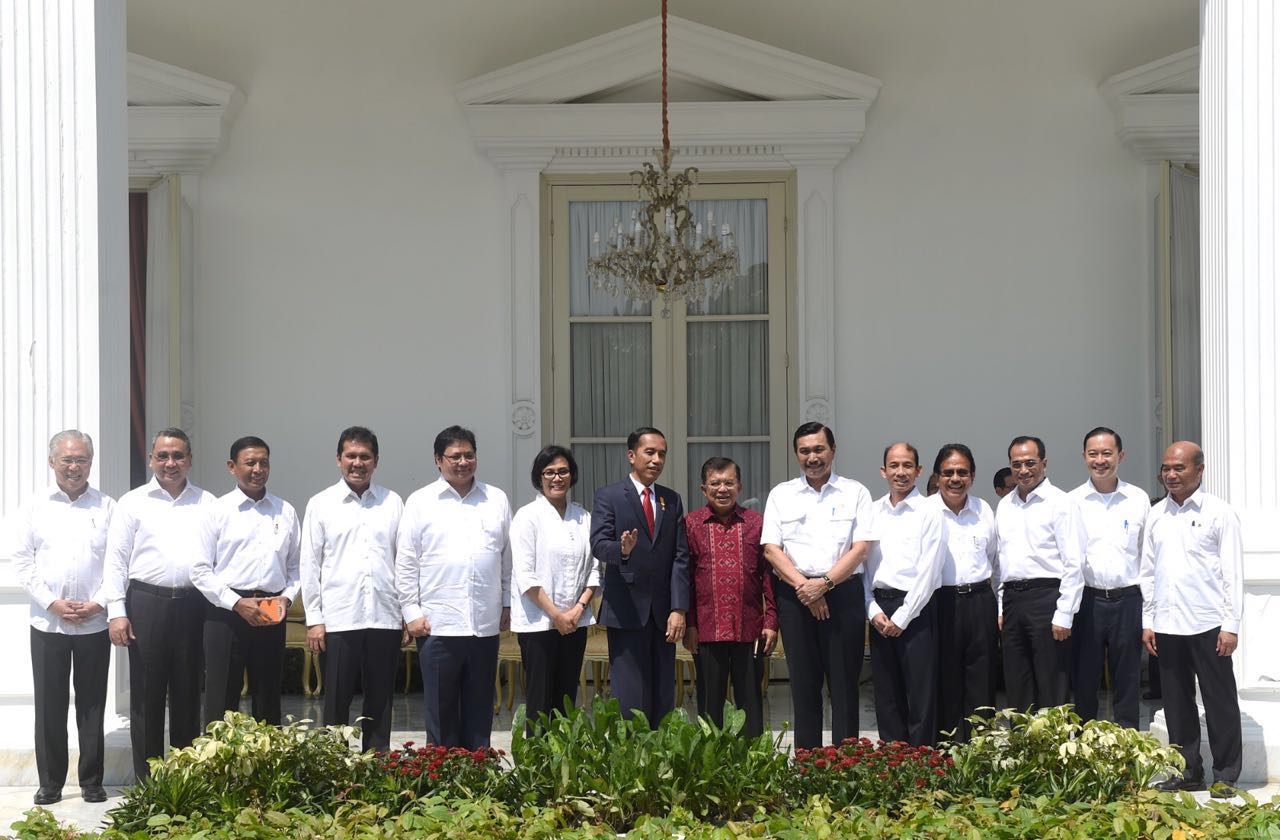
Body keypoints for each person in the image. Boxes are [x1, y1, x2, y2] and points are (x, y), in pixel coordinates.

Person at [3, 431, 114, 805]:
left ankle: (92, 781)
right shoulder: (34, 507)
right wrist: (51, 602)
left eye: (81, 459)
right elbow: (21, 560)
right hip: (48, 623)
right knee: (50, 705)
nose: (74, 467)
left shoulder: (107, 507)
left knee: (92, 704)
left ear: (91, 463)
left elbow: (118, 563)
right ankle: (50, 782)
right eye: (67, 459)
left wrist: (99, 603)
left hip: (94, 623)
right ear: (52, 462)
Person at [104, 428, 215, 781]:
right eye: (163, 456)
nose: (171, 463)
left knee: (187, 695)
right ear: (151, 459)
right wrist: (117, 612)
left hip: (193, 606)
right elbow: (115, 561)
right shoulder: (132, 502)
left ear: (190, 460)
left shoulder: (208, 503)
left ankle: (185, 780)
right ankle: (148, 784)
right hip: (146, 605)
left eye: (178, 455)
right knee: (147, 698)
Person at [397, 426, 511, 748]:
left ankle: (479, 780)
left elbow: (507, 557)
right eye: (455, 456)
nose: (463, 462)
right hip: (437, 625)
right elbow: (406, 561)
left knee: (479, 712)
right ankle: (443, 785)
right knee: (441, 713)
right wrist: (411, 612)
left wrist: (506, 604)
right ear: (438, 460)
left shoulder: (496, 499)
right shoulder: (420, 502)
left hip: (483, 625)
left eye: (469, 455)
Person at [761, 422, 873, 749]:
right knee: (804, 686)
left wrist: (822, 585)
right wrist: (806, 589)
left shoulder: (856, 492)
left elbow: (861, 548)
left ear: (833, 450)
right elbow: (771, 550)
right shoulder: (782, 495)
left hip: (843, 595)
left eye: (819, 449)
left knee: (844, 686)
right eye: (805, 451)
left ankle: (845, 766)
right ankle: (809, 766)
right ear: (797, 454)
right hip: (796, 597)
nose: (813, 457)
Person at [1142, 441, 1242, 798]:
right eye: (1166, 468)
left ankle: (1226, 774)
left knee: (1219, 702)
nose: (1171, 475)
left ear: (1200, 469)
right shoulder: (1156, 514)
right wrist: (1147, 619)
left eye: (1179, 468)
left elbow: (1233, 572)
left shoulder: (1220, 512)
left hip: (1209, 624)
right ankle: (1188, 772)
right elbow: (1148, 572)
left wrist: (1231, 624)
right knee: (1177, 704)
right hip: (1168, 625)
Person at [300, 426, 404, 752]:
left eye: (365, 457)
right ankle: (335, 767)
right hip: (339, 618)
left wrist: (405, 614)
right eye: (351, 456)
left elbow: (404, 561)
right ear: (338, 459)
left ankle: (378, 766)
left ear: (376, 461)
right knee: (337, 700)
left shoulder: (393, 503)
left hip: (384, 617)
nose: (357, 463)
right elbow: (310, 566)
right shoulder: (321, 504)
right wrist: (315, 619)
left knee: (380, 700)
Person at [193, 436, 300, 728]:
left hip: (270, 609)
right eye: (249, 462)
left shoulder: (285, 511)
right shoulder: (216, 510)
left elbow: (295, 567)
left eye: (263, 462)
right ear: (232, 467)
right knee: (220, 697)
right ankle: (218, 769)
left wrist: (286, 599)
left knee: (268, 696)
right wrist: (237, 603)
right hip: (226, 611)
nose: (257, 469)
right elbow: (199, 570)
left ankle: (266, 769)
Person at [590, 427, 690, 726]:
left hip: (664, 614)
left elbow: (679, 557)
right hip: (627, 610)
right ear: (632, 456)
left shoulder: (671, 500)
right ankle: (631, 762)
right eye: (650, 452)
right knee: (630, 696)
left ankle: (661, 761)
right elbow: (598, 544)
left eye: (662, 454)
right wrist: (621, 550)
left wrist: (679, 608)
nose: (657, 459)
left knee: (663, 694)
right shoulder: (609, 496)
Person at [682, 456, 778, 738]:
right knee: (709, 703)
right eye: (715, 483)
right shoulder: (691, 524)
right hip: (706, 631)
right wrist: (689, 624)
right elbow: (684, 578)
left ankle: (752, 764)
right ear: (703, 488)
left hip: (750, 629)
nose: (722, 489)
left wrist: (771, 620)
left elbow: (768, 575)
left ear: (740, 486)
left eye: (728, 483)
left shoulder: (757, 523)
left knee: (750, 701)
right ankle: (712, 766)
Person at [510, 445, 600, 725]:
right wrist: (557, 615)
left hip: (575, 622)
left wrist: (577, 609)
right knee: (539, 701)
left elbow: (594, 569)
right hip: (539, 624)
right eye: (549, 472)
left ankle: (563, 763)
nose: (556, 478)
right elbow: (525, 575)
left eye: (563, 471)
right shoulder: (527, 516)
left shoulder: (583, 517)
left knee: (566, 699)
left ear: (572, 476)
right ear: (539, 477)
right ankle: (535, 766)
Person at [995, 435, 1085, 712]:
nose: (1023, 470)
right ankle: (1022, 747)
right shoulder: (1004, 506)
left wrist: (1064, 613)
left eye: (1030, 463)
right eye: (1016, 464)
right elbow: (1001, 563)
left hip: (1048, 599)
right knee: (1016, 680)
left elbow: (1074, 562)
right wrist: (1001, 605)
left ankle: (1053, 750)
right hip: (1012, 601)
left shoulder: (1061, 502)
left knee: (1051, 681)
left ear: (1044, 464)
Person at [862, 443, 944, 746]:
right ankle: (892, 761)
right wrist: (871, 610)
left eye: (907, 465)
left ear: (918, 471)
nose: (900, 472)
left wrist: (903, 616)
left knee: (920, 693)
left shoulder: (931, 511)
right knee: (886, 693)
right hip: (880, 610)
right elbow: (863, 567)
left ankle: (922, 765)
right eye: (894, 465)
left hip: (916, 610)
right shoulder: (871, 511)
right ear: (883, 471)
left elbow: (930, 571)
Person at [1069, 427, 1149, 730]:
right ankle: (1085, 751)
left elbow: (1147, 556)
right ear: (1084, 457)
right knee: (1084, 680)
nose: (1100, 460)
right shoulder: (1073, 501)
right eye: (1093, 454)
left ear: (1120, 455)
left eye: (1107, 453)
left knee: (1127, 680)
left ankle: (1128, 750)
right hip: (1087, 600)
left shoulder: (1137, 499)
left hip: (1127, 599)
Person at [929, 443, 999, 742]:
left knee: (981, 680)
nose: (955, 479)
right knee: (945, 679)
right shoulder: (925, 511)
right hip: (939, 603)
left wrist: (997, 608)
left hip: (980, 602)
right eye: (948, 473)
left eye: (962, 472)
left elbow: (995, 559)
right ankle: (947, 752)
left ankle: (980, 751)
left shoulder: (984, 510)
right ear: (937, 477)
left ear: (972, 476)